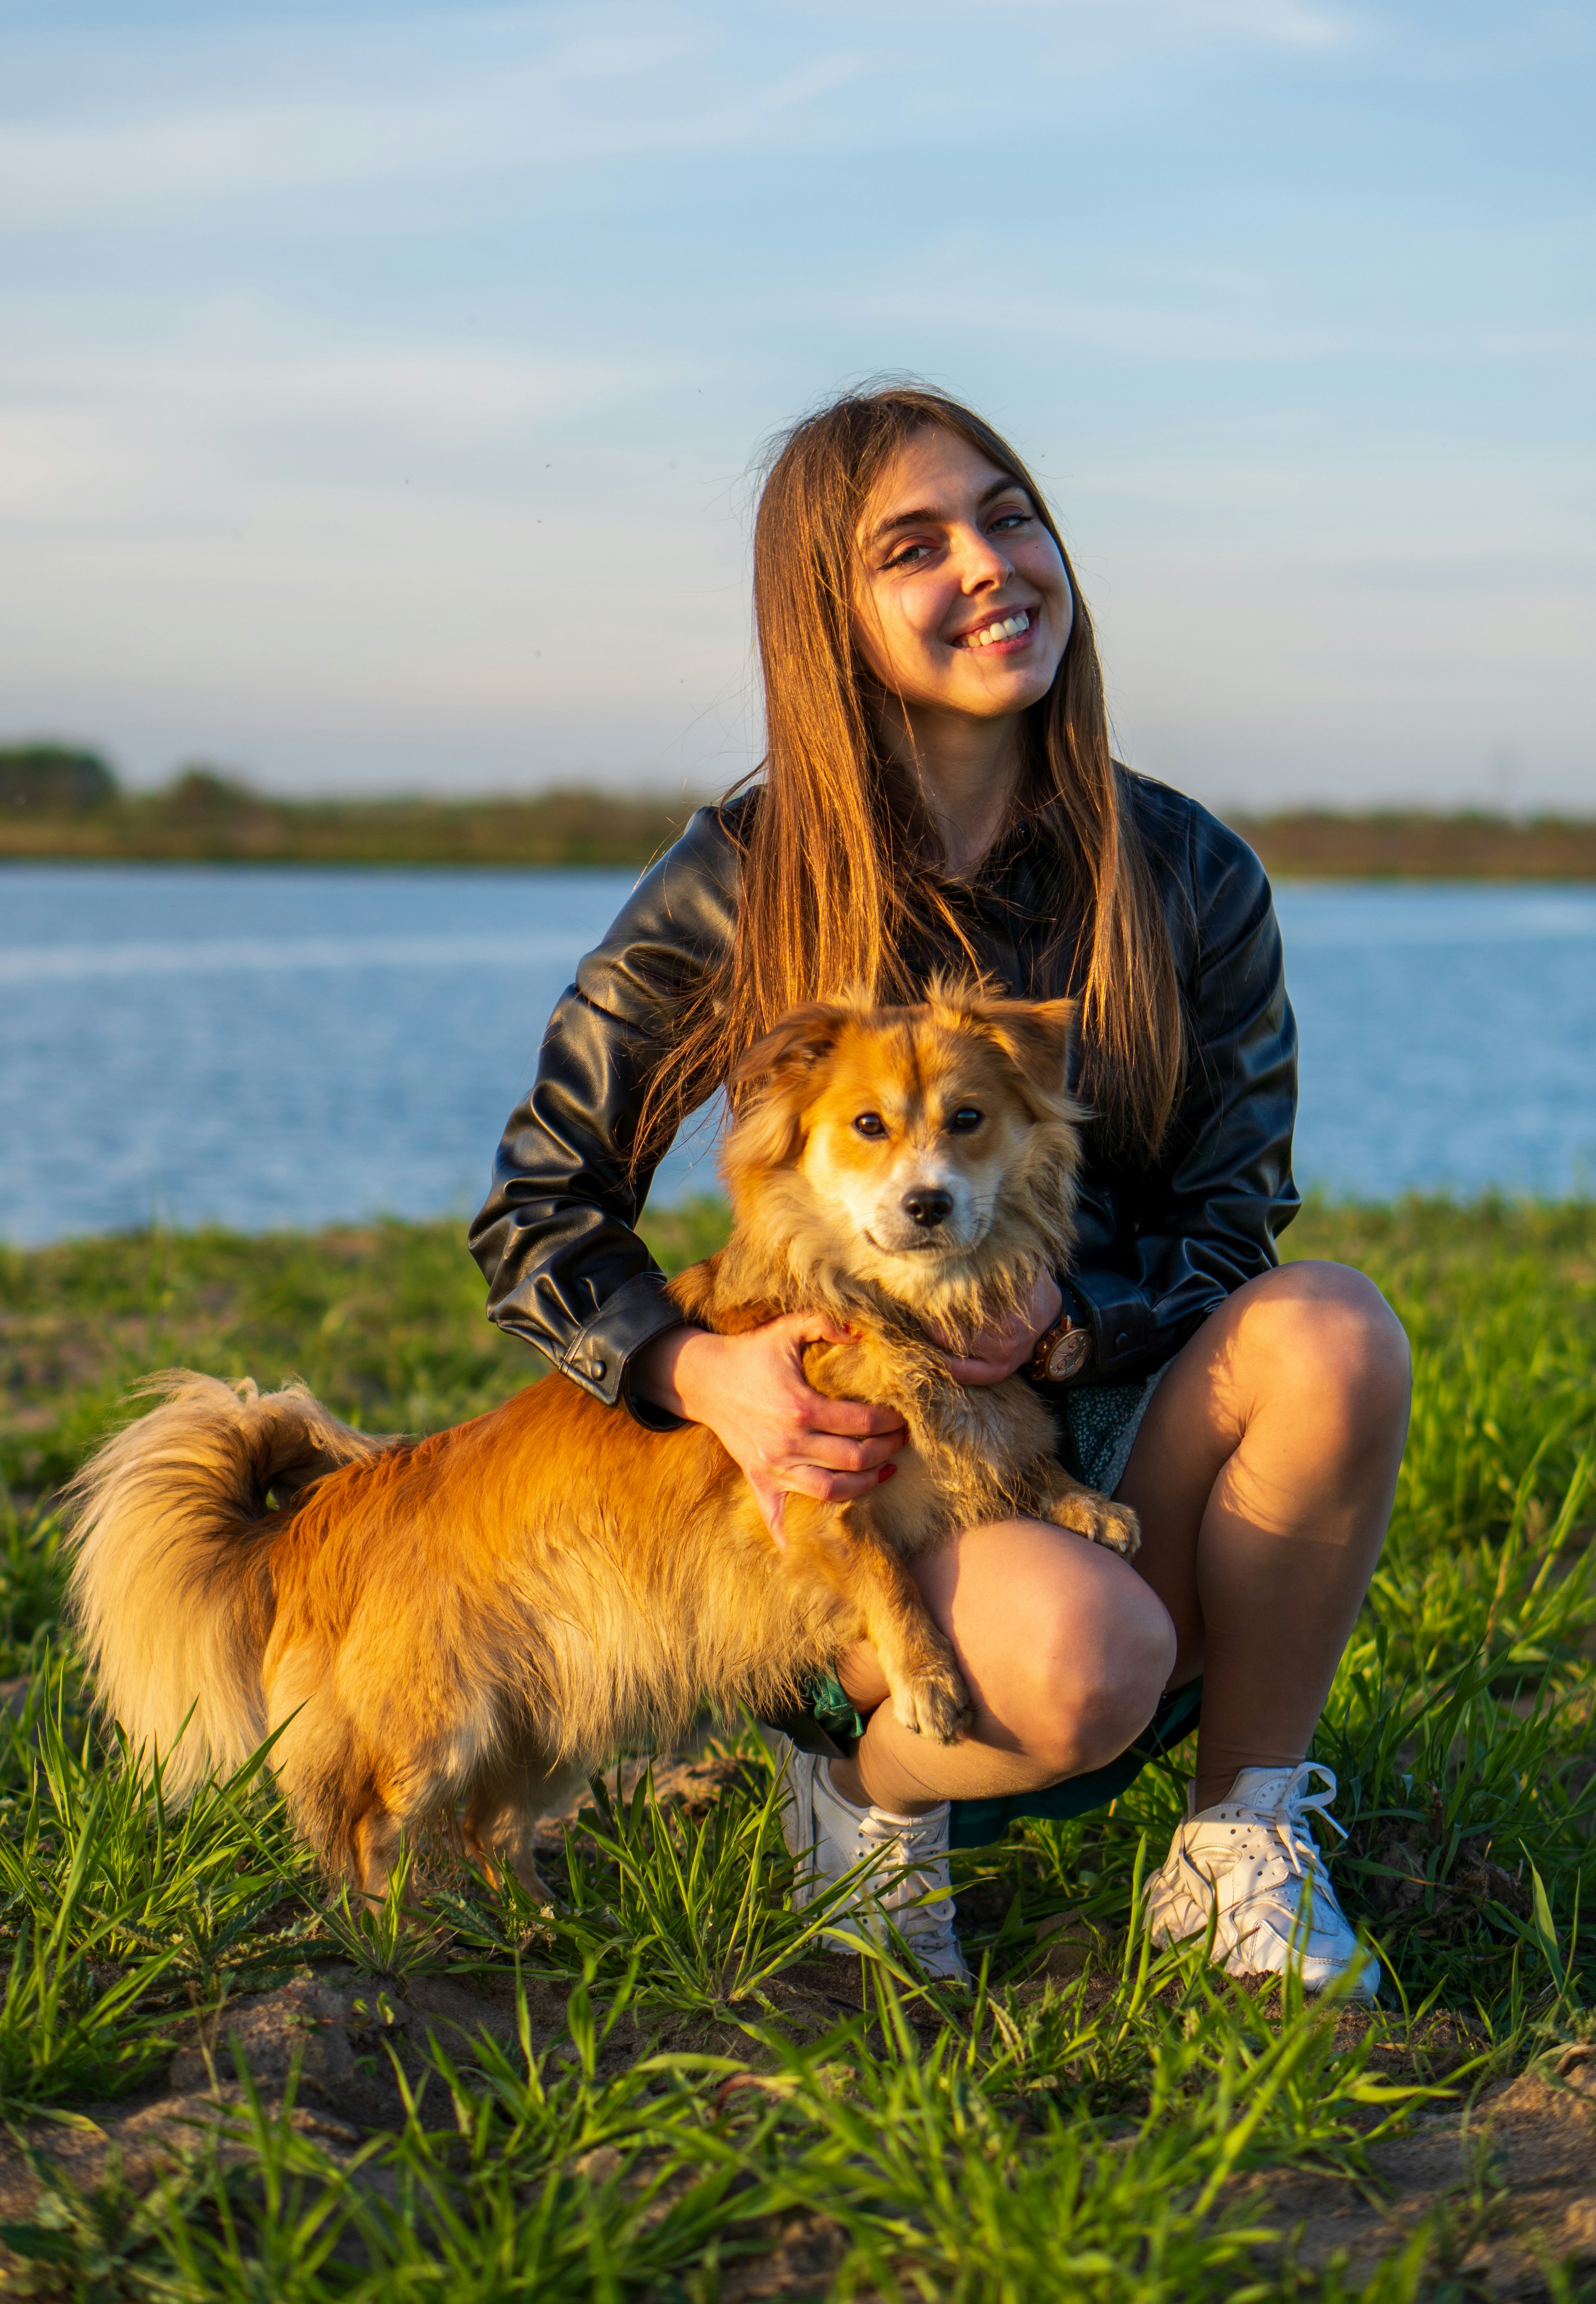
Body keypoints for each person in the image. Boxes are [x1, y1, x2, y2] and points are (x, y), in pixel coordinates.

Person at [470, 381, 1410, 1995]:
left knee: (1331, 1330)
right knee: (1091, 1663)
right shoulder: (737, 880)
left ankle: (1238, 1845)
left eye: (1011, 514)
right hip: (857, 1485)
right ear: (831, 619)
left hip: (1101, 1409)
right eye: (917, 545)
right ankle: (858, 1800)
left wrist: (1072, 1328)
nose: (989, 564)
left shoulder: (1186, 872)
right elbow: (537, 1206)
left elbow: (1232, 1225)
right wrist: (709, 1378)